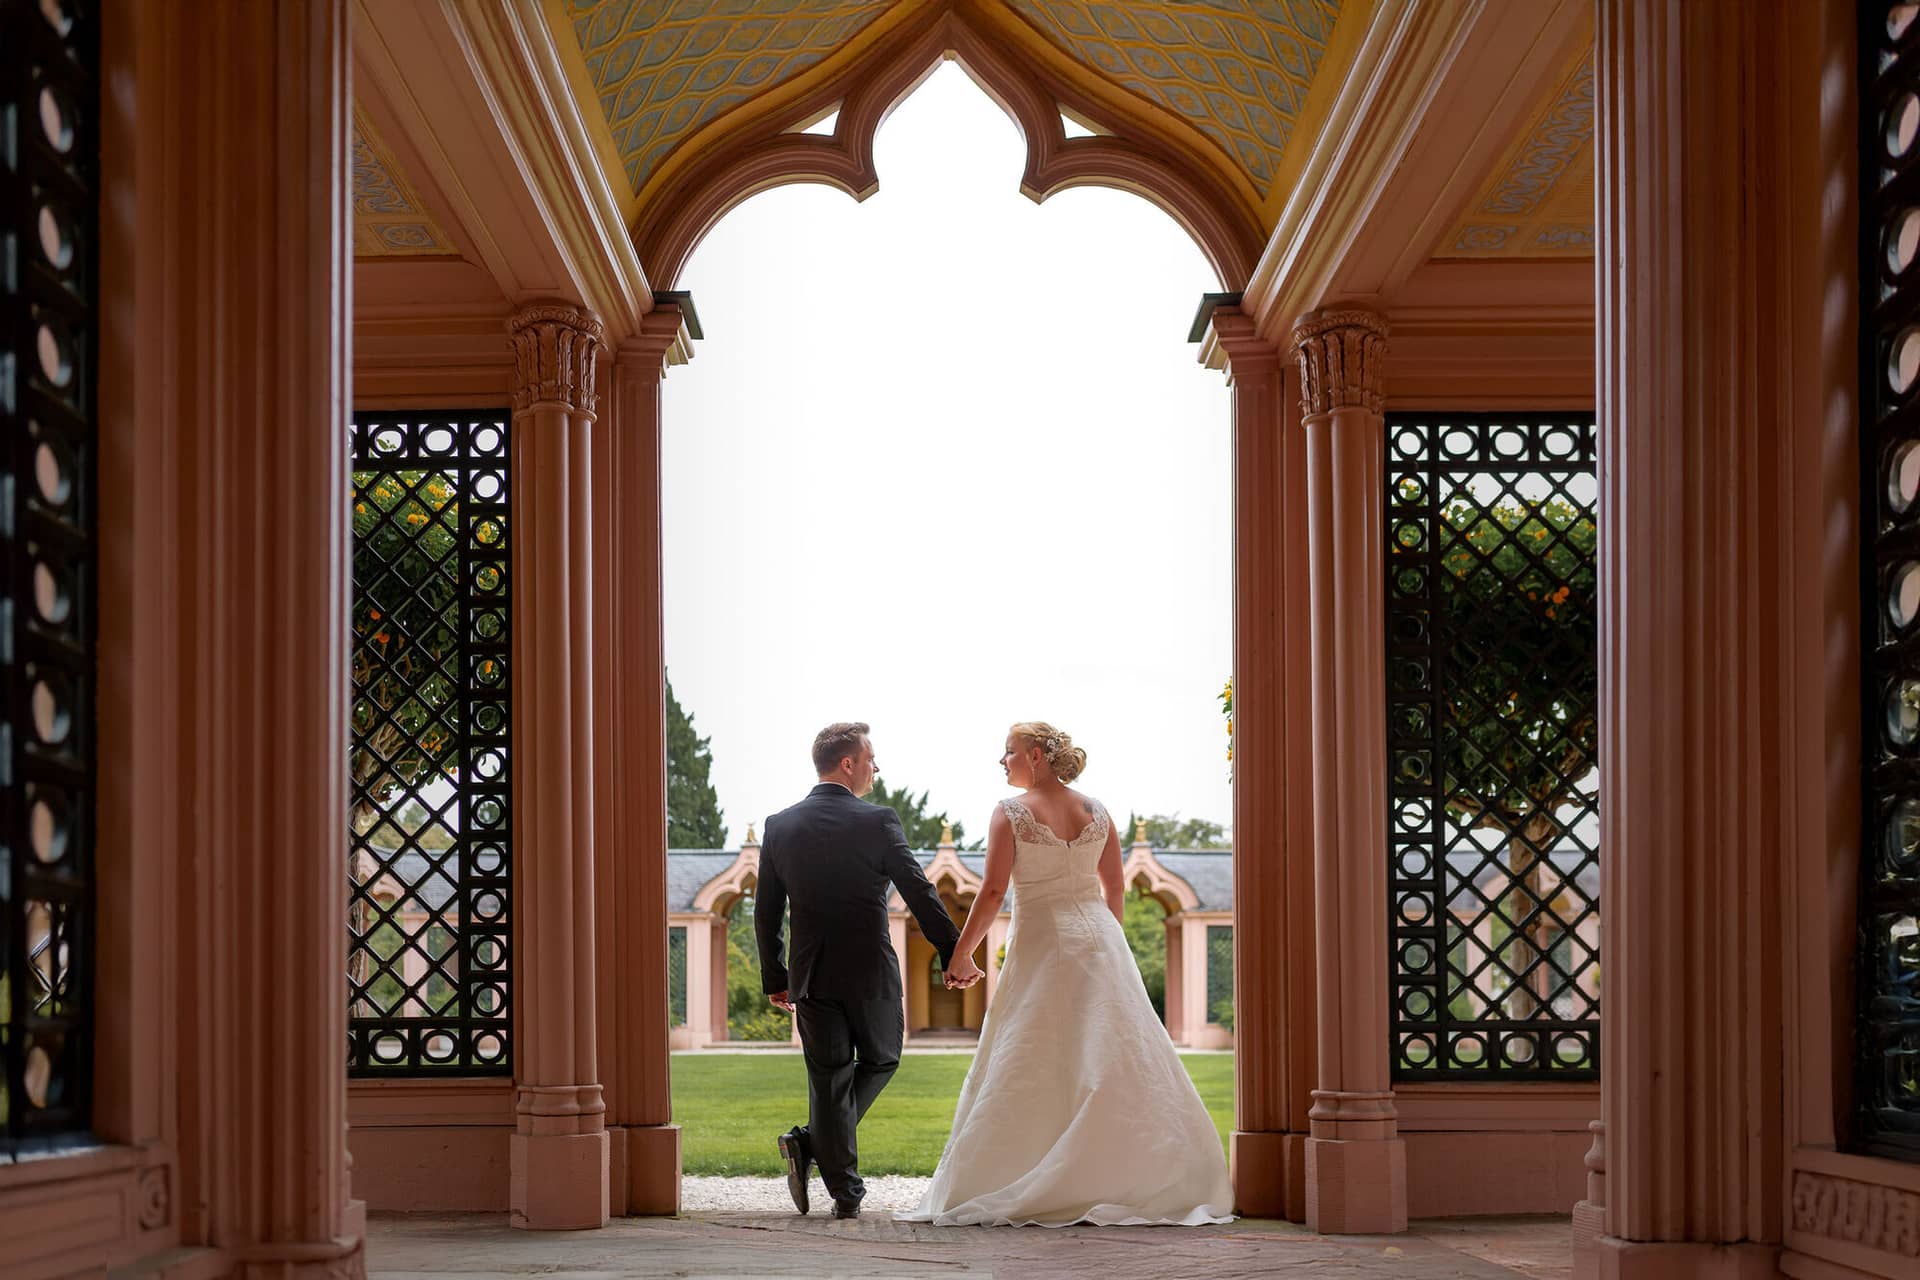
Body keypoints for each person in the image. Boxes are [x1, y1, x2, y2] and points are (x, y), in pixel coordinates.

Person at [898, 721, 1234, 1227]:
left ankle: (1033, 1173)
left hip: (1043, 944)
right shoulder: (1096, 811)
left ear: (1034, 755)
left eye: (1008, 751)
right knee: (1112, 1053)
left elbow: (991, 893)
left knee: (1036, 1051)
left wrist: (960, 955)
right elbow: (1114, 887)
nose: (1002, 761)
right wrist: (1109, 942)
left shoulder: (1010, 813)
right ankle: (1131, 1176)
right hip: (1100, 939)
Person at [755, 721, 971, 1219]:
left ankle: (825, 1165)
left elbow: (766, 913)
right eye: (871, 757)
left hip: (810, 977)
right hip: (870, 972)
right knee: (882, 1059)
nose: (876, 766)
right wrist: (952, 952)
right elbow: (919, 890)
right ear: (848, 763)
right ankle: (833, 1176)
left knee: (829, 1078)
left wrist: (777, 977)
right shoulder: (878, 822)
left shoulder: (779, 825)